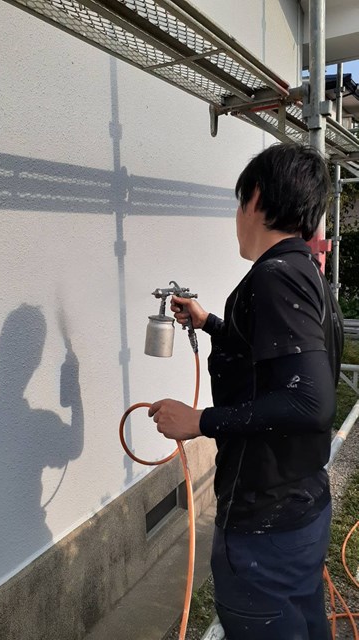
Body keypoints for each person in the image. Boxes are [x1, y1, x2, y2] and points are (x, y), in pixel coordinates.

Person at [149, 143, 343, 640]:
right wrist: (211, 323)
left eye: (239, 203)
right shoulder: (304, 271)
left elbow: (309, 401)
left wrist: (200, 421)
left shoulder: (275, 278)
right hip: (300, 509)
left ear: (255, 197)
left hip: (265, 524)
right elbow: (275, 363)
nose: (236, 218)